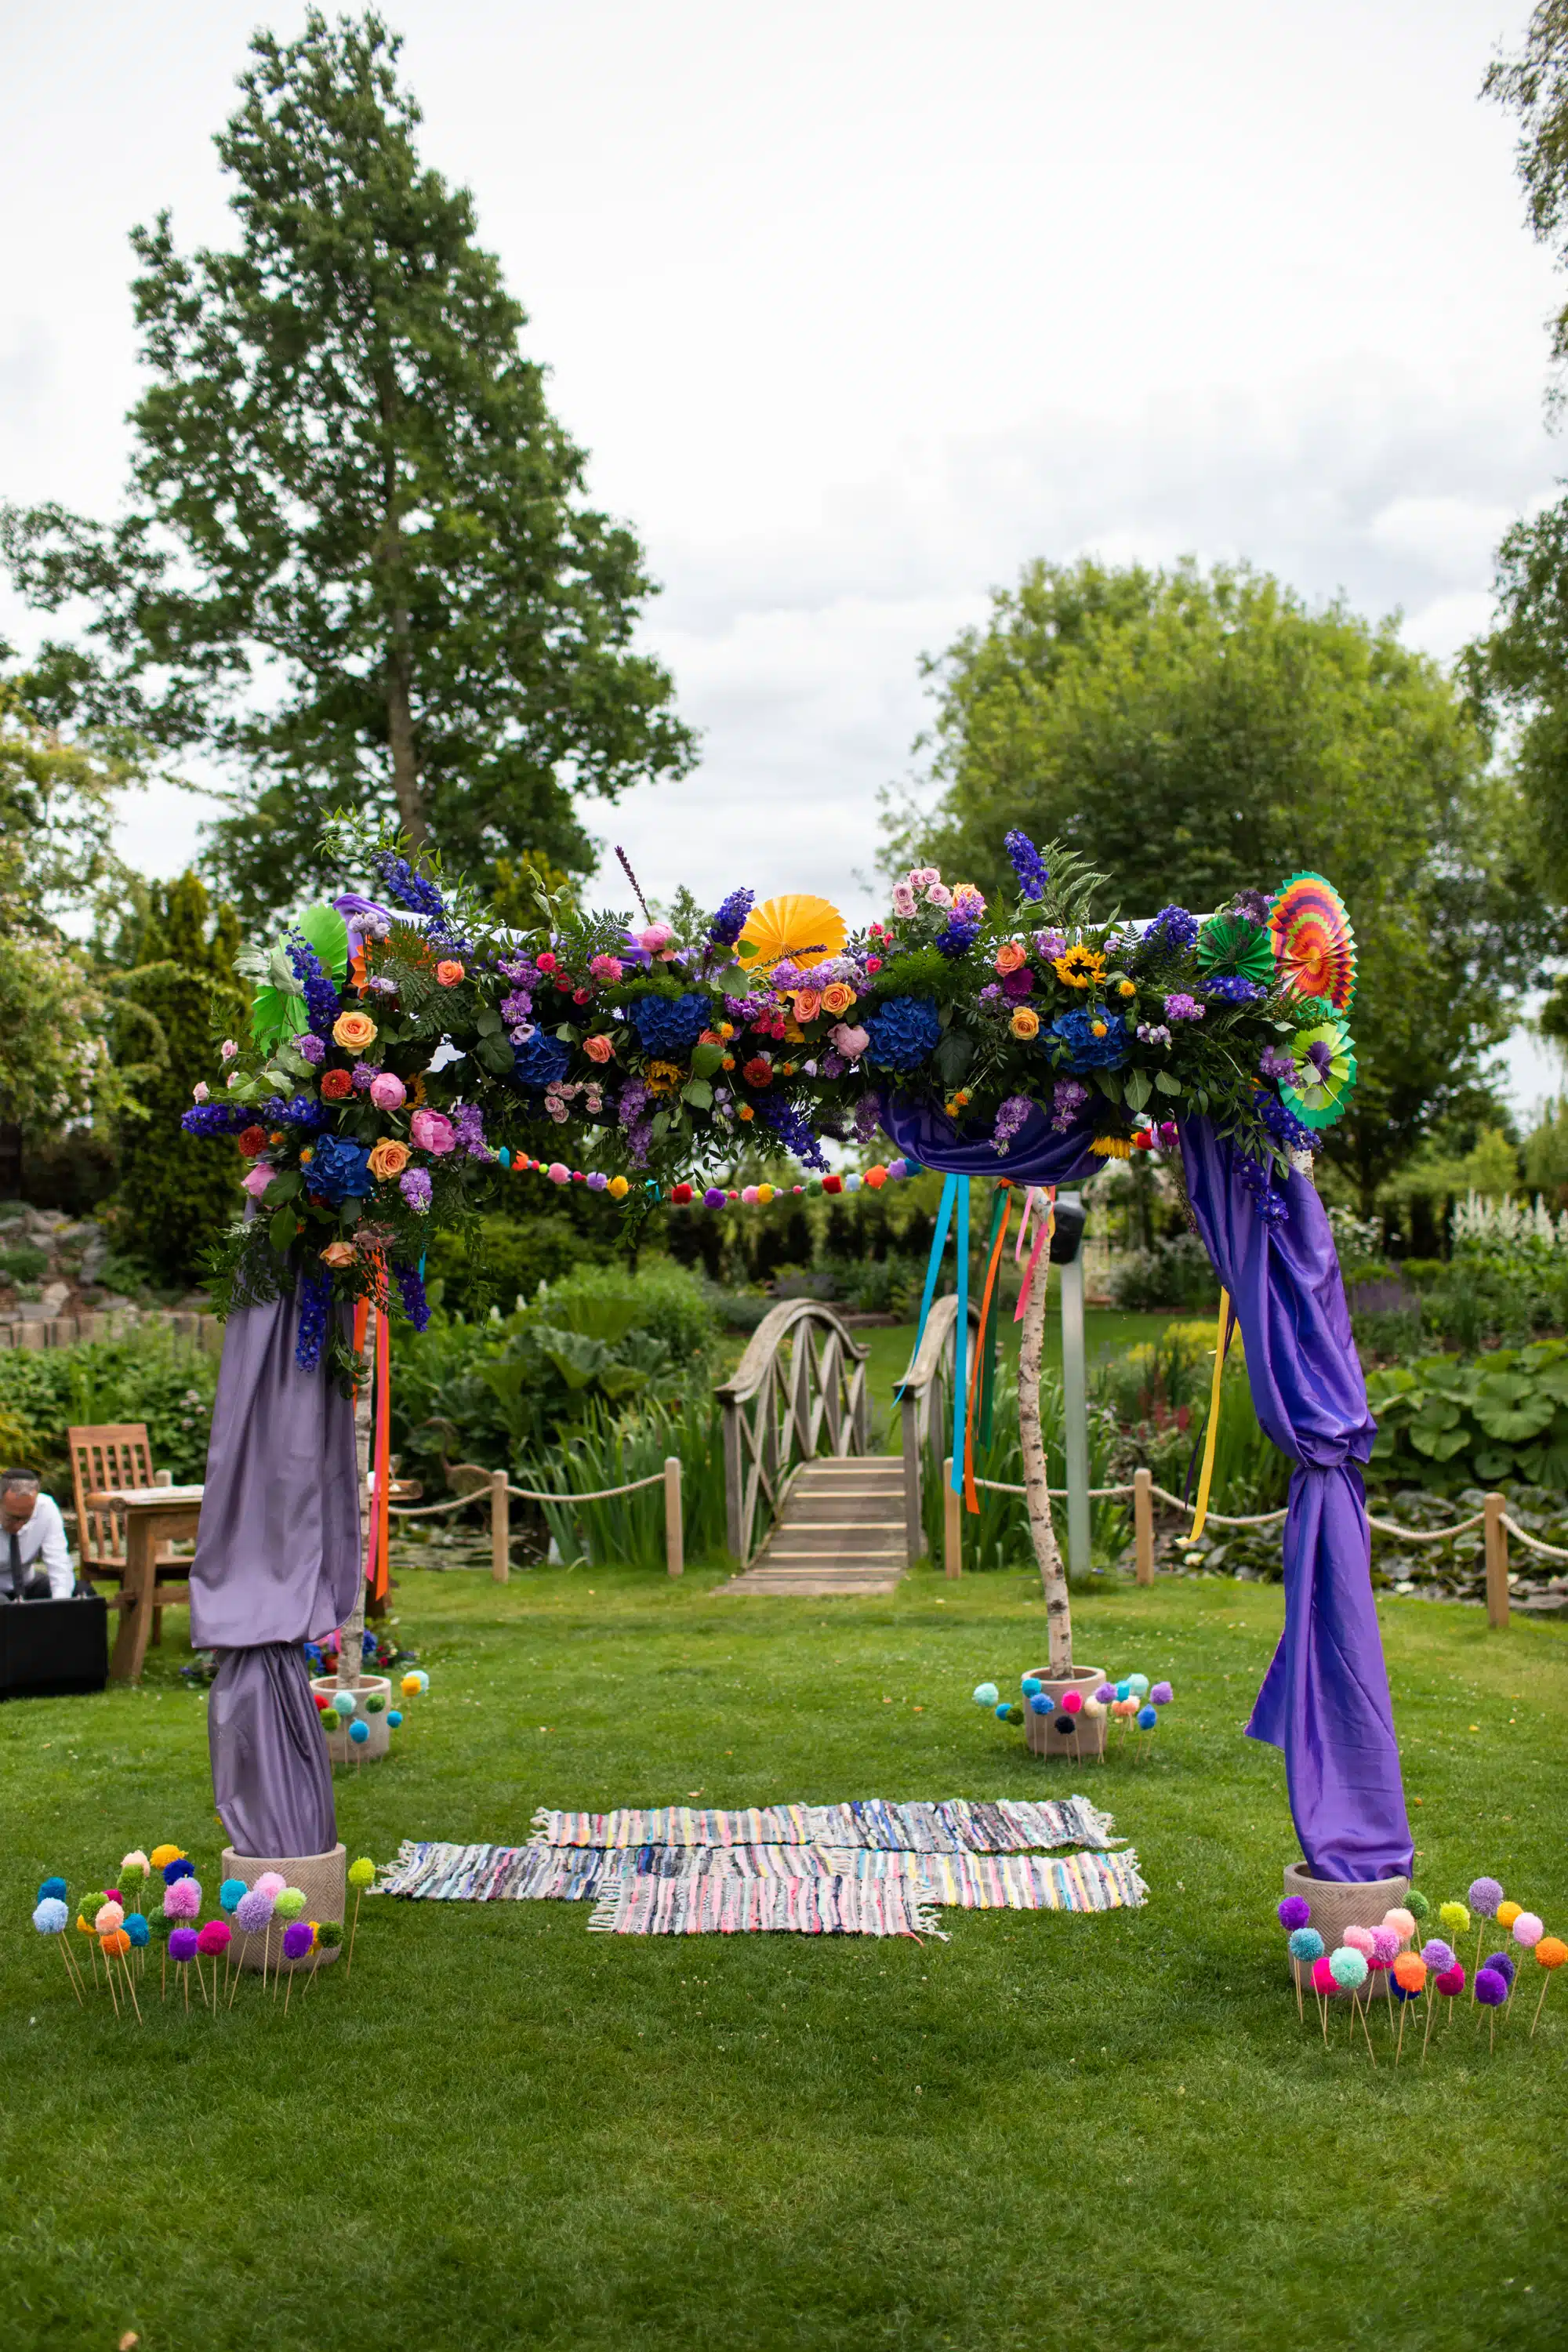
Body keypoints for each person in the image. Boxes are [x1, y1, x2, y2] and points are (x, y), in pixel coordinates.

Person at [0, 1468, 73, 1599]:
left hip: (28, 1583)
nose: (19, 1526)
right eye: (13, 1518)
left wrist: (61, 1603)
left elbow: (59, 1561)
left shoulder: (46, 1508)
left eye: (26, 1518)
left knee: (82, 1594)